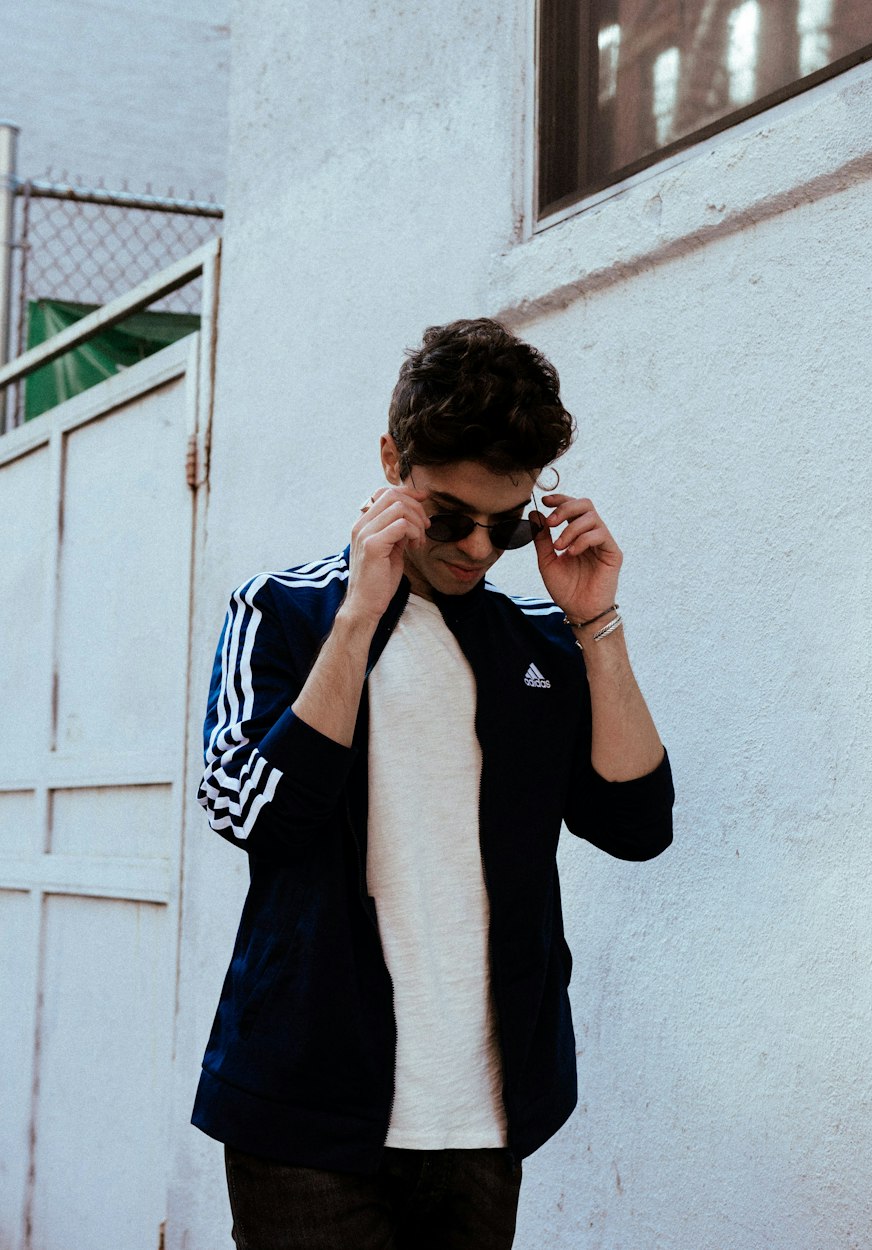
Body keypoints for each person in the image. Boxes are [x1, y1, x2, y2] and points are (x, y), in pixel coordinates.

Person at [193, 317, 674, 1249]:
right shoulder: (283, 612)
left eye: (508, 522)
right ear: (390, 464)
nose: (480, 549)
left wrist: (597, 622)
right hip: (308, 1111)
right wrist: (359, 614)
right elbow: (254, 813)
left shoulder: (537, 643)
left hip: (483, 1119)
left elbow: (635, 821)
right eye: (451, 517)